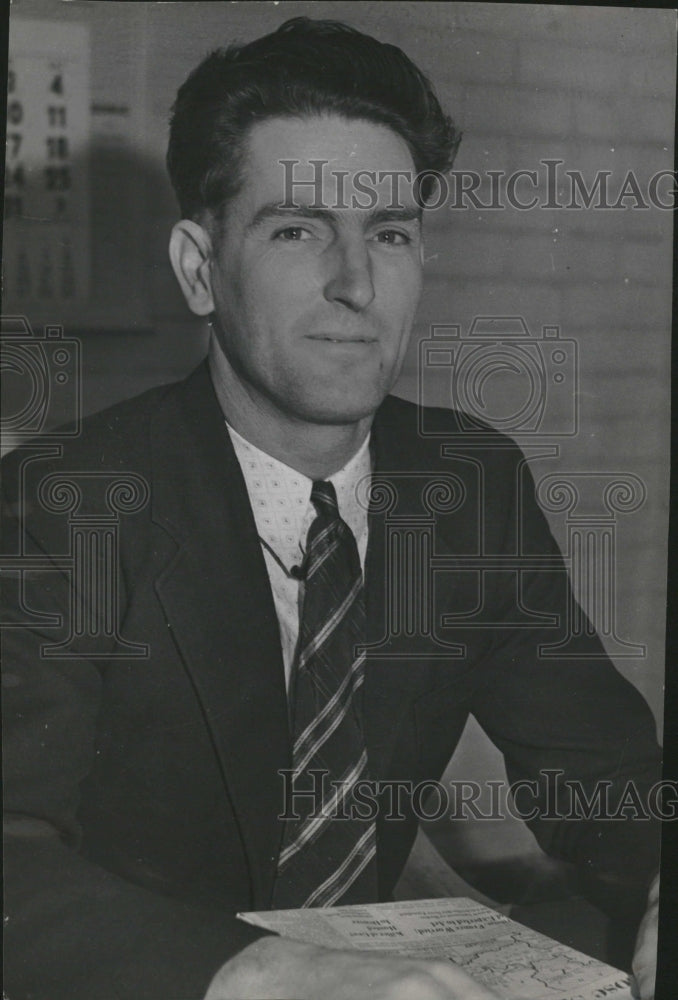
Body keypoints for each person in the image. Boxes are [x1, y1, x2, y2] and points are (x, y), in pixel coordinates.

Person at [2, 17, 661, 1000]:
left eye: (389, 233)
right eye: (298, 229)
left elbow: (605, 778)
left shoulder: (466, 480)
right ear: (198, 266)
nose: (357, 284)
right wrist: (255, 971)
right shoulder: (65, 501)